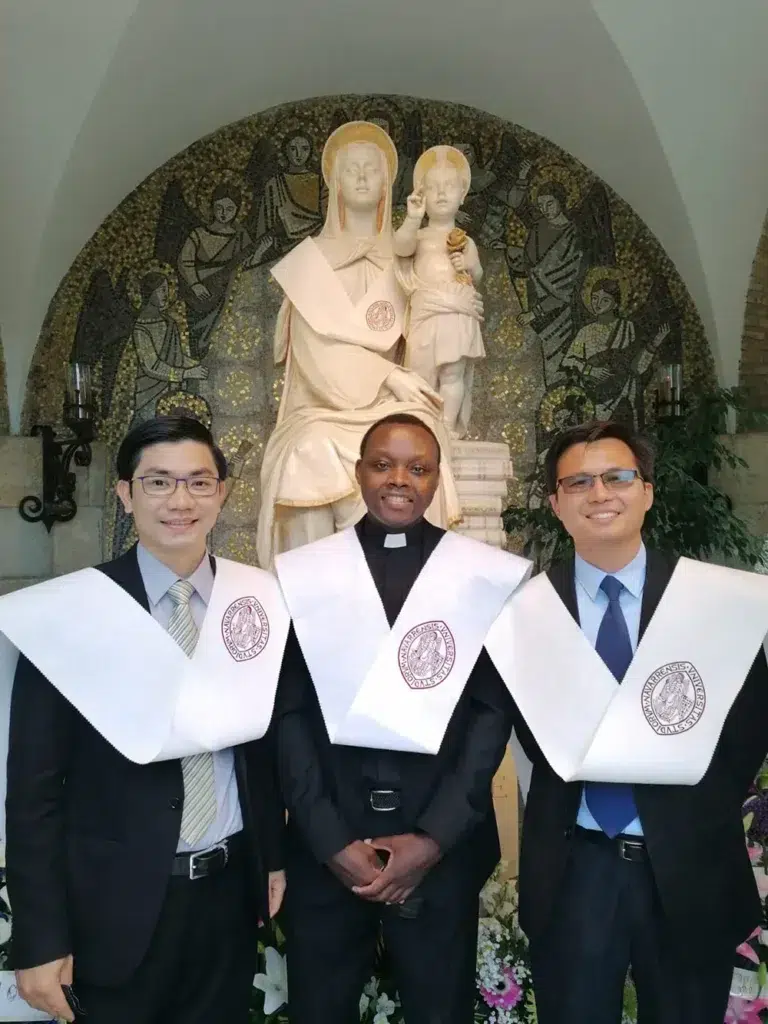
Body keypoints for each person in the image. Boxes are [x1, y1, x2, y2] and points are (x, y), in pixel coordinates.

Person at [2, 416, 289, 1024]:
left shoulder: (259, 602)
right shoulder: (71, 616)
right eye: (158, 482)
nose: (180, 500)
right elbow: (31, 794)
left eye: (198, 482)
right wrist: (39, 938)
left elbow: (259, 750)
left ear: (224, 493)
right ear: (126, 494)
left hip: (228, 898)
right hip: (114, 908)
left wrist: (272, 856)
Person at [485, 420, 768, 1024]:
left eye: (617, 477)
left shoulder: (710, 600)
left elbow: (747, 730)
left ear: (647, 491)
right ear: (557, 504)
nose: (600, 493)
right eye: (578, 482)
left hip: (689, 862)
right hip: (574, 868)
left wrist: (682, 810)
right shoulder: (523, 615)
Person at [272, 413, 530, 1024]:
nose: (400, 480)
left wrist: (432, 839)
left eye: (418, 468)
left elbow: (490, 721)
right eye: (383, 464)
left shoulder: (475, 576)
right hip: (327, 852)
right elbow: (287, 718)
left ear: (437, 480)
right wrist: (332, 841)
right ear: (358, 473)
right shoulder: (309, 573)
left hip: (439, 854)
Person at [257, 120, 461, 570]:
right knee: (309, 448)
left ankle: (421, 582)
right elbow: (313, 354)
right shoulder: (309, 263)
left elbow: (431, 327)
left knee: (419, 441)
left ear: (389, 182)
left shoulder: (409, 253)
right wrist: (388, 374)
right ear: (334, 183)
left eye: (373, 168)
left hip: (392, 405)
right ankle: (311, 591)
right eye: (353, 169)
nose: (364, 176)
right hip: (323, 407)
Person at [394, 144, 485, 439]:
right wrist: (412, 217)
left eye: (449, 187)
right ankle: (421, 428)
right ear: (423, 195)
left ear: (462, 196)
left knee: (452, 372)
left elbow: (477, 275)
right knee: (420, 374)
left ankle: (446, 429)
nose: (442, 193)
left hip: (456, 310)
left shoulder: (467, 242)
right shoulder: (419, 235)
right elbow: (400, 247)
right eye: (433, 188)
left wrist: (469, 264)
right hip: (426, 312)